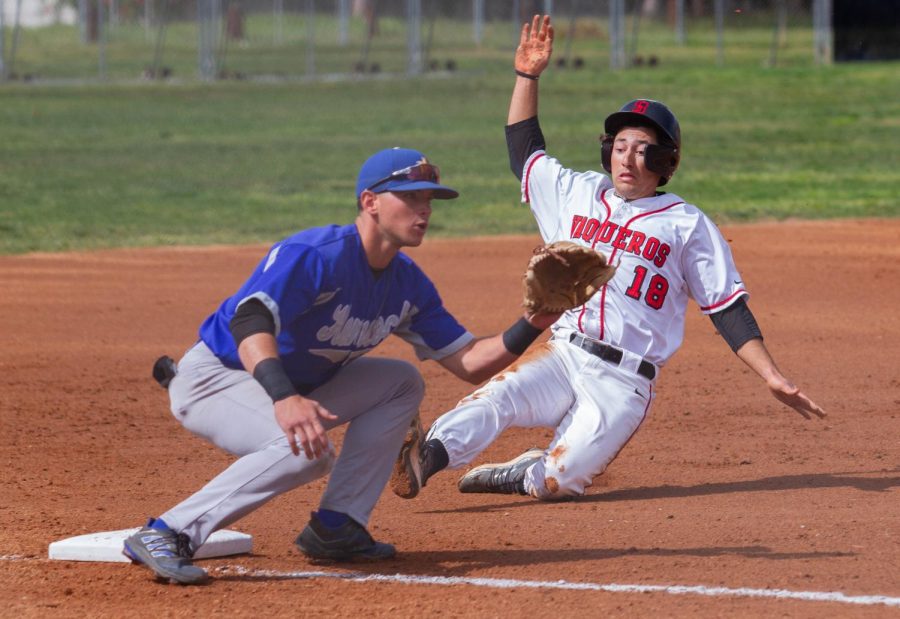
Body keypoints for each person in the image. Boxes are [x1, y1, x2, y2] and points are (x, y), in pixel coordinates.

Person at [391, 15, 825, 503]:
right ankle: (424, 456)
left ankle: (525, 472)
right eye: (619, 147)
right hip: (564, 350)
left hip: (625, 380)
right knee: (497, 398)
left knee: (560, 482)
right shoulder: (577, 193)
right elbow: (524, 151)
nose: (626, 158)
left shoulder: (687, 224)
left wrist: (771, 375)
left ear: (667, 163)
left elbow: (726, 307)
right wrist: (527, 76)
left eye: (642, 149)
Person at [122, 146, 559, 584]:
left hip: (292, 385)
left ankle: (338, 526)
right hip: (216, 379)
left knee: (401, 382)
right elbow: (249, 321)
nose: (424, 210)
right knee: (305, 453)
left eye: (429, 200)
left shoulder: (407, 283)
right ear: (370, 202)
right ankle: (169, 531)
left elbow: (470, 362)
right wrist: (286, 398)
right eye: (411, 198)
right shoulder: (318, 255)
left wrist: (534, 320)